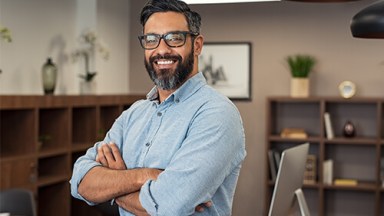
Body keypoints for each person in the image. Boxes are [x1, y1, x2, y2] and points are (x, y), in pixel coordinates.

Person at [70, 0, 246, 215]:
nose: (162, 50)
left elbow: (168, 207)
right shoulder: (134, 114)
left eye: (174, 38)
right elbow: (80, 182)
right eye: (151, 40)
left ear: (197, 45)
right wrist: (144, 175)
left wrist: (113, 184)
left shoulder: (217, 114)